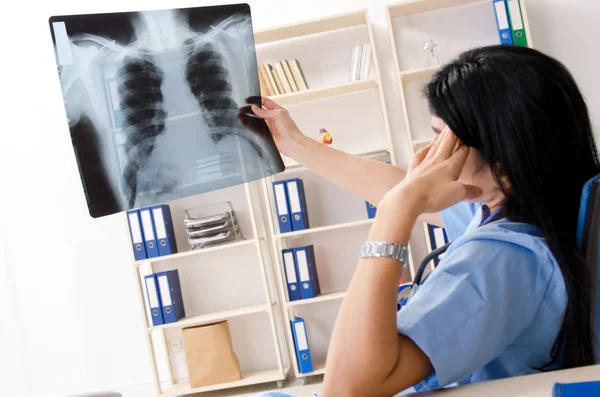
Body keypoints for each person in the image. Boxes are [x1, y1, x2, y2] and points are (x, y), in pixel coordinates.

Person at [240, 45, 600, 396]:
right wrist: (296, 144)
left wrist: (397, 212)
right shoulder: (524, 208)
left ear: (504, 166)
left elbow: (347, 389)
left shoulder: (498, 260)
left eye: (443, 140)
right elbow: (390, 186)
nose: (426, 155)